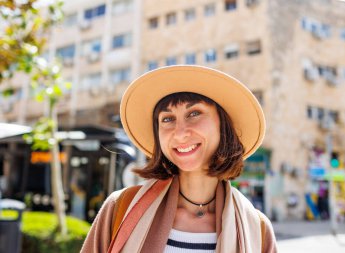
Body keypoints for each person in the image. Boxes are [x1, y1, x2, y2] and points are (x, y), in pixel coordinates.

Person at [81, 65, 277, 253]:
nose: (180, 133)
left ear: (223, 125)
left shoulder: (257, 229)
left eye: (194, 113)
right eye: (167, 119)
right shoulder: (121, 209)